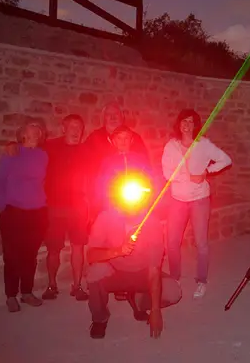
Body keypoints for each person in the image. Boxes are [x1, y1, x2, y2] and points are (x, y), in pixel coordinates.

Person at [86, 125, 182, 339]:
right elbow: (91, 255)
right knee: (94, 273)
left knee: (174, 291)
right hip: (115, 268)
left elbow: (154, 269)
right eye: (118, 138)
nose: (123, 141)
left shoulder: (151, 221)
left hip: (140, 271)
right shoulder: (107, 216)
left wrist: (156, 311)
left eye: (127, 138)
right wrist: (117, 251)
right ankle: (100, 318)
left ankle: (139, 299)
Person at [162, 109, 232, 299]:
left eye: (191, 122)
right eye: (183, 121)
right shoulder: (171, 146)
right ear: (178, 124)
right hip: (178, 199)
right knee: (172, 242)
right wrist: (188, 176)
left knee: (201, 243)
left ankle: (201, 281)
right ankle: (174, 277)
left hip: (200, 199)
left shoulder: (204, 144)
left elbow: (226, 160)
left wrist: (206, 173)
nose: (187, 125)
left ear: (196, 126)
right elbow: (167, 173)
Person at [0, 117, 49, 313]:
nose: (36, 131)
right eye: (31, 128)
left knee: (29, 256)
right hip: (14, 212)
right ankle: (11, 295)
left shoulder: (43, 155)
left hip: (37, 213)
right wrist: (2, 206)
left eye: (39, 129)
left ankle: (26, 292)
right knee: (12, 256)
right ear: (22, 134)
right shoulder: (12, 153)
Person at [41, 114, 90, 301]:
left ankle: (77, 286)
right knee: (53, 249)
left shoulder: (85, 151)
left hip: (78, 206)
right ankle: (51, 285)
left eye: (79, 128)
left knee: (78, 247)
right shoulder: (50, 147)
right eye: (72, 127)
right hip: (54, 206)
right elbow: (29, 153)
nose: (76, 131)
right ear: (63, 128)